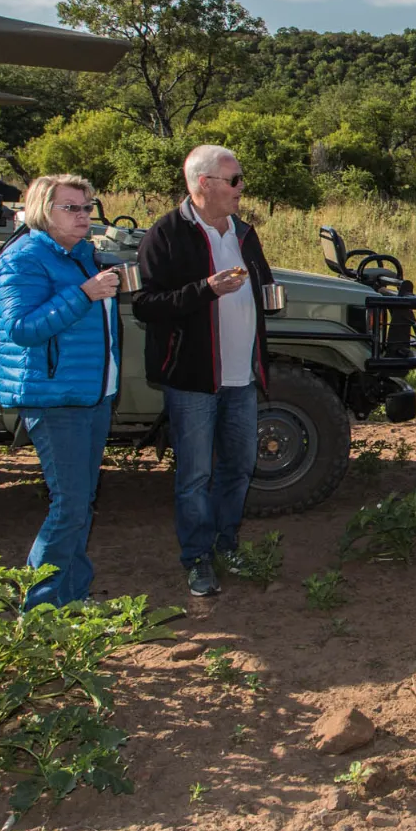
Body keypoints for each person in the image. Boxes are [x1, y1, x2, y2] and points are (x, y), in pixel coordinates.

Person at [134, 144, 277, 598]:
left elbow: (261, 283)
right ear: (203, 184)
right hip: (193, 380)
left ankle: (226, 543)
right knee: (194, 476)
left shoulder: (244, 232)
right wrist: (205, 290)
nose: (240, 189)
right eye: (233, 180)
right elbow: (146, 306)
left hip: (241, 378)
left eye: (239, 180)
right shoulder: (165, 234)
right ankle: (196, 559)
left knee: (239, 467)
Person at [0, 174, 122, 611]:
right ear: (42, 210)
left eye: (87, 207)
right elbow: (21, 328)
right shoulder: (23, 258)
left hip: (91, 393)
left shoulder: (82, 255)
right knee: (68, 504)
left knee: (81, 501)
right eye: (71, 207)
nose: (83, 215)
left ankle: (72, 595)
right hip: (54, 397)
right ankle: (40, 605)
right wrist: (84, 294)